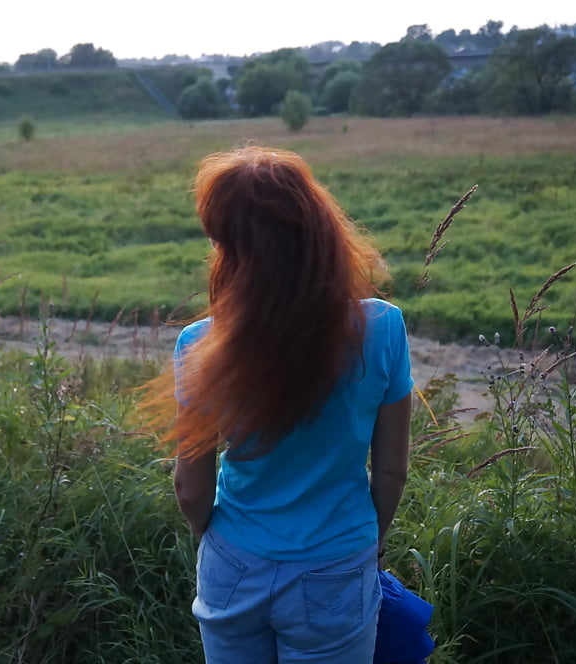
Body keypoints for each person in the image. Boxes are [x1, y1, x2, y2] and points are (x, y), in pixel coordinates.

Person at [145, 146, 412, 663]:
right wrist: (366, 543)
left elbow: (191, 488)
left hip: (233, 563)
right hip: (337, 560)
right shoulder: (383, 328)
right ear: (320, 230)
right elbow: (391, 472)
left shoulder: (201, 345)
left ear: (229, 247)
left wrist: (219, 543)